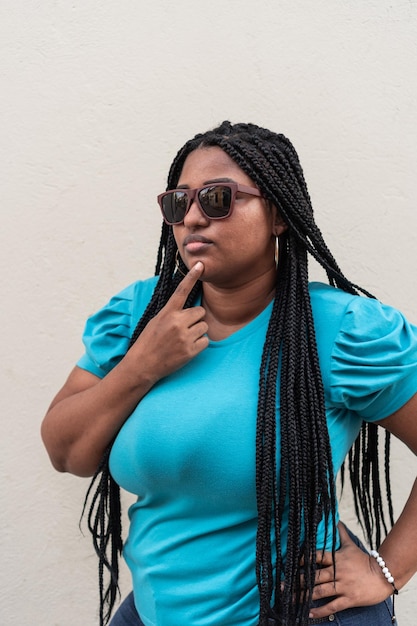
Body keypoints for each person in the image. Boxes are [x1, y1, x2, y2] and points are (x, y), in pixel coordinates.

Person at [41, 121, 417, 626]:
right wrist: (140, 366)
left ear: (278, 214)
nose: (193, 218)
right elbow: (67, 453)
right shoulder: (138, 316)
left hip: (296, 613)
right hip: (155, 612)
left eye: (219, 199)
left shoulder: (340, 331)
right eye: (179, 203)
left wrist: (386, 570)